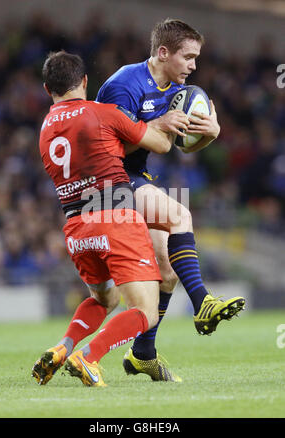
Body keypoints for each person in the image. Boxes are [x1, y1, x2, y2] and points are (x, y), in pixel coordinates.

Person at [96, 18, 245, 382]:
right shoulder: (124, 86)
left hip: (133, 178)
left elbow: (184, 145)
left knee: (165, 270)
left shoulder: (179, 89)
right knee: (180, 215)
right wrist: (157, 126)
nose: (194, 66)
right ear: (163, 53)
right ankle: (204, 303)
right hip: (104, 180)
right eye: (188, 57)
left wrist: (213, 132)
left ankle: (142, 353)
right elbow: (109, 145)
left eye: (196, 58)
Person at [32, 50, 186, 387]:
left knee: (105, 298)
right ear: (85, 81)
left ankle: (62, 348)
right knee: (145, 312)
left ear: (48, 89)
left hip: (75, 224)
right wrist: (166, 120)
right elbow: (159, 144)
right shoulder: (104, 113)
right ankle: (87, 357)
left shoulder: (44, 130)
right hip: (115, 216)